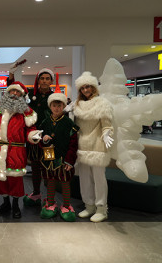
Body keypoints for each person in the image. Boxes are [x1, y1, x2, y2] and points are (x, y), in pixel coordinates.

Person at [0, 81, 41, 218]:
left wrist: (33, 136)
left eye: (17, 92)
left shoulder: (26, 113)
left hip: (16, 150)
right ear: (7, 93)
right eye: (11, 91)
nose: (14, 94)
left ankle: (15, 204)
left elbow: (30, 130)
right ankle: (5, 203)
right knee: (0, 180)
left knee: (15, 180)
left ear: (22, 95)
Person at [9, 66, 55, 206]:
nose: (44, 81)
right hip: (33, 138)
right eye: (42, 78)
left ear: (51, 81)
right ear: (38, 80)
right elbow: (14, 90)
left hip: (49, 139)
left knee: (50, 166)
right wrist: (11, 76)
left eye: (47, 78)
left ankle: (50, 197)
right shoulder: (30, 95)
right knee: (35, 166)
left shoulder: (55, 97)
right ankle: (36, 193)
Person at [73, 72, 114, 223]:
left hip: (97, 145)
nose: (85, 90)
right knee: (84, 178)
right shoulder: (77, 105)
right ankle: (89, 205)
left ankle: (102, 208)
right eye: (82, 88)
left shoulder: (102, 103)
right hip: (82, 145)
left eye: (88, 87)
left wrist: (107, 134)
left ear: (94, 87)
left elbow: (107, 124)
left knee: (99, 178)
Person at [38, 89, 79, 222]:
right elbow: (39, 140)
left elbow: (74, 144)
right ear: (50, 106)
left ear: (63, 106)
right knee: (50, 180)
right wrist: (43, 140)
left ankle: (66, 205)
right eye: (54, 105)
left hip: (64, 158)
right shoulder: (45, 122)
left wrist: (69, 161)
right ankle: (50, 203)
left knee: (65, 182)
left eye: (59, 105)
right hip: (48, 157)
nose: (56, 108)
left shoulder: (69, 124)